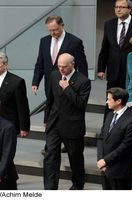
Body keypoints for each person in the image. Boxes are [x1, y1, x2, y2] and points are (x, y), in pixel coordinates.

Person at [32, 15, 88, 153]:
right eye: (50, 30)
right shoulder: (44, 41)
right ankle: (50, 144)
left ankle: (66, 141)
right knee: (51, 111)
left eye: (55, 30)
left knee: (66, 112)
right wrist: (35, 81)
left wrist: (82, 84)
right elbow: (40, 63)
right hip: (50, 84)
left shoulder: (74, 41)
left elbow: (82, 64)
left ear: (62, 25)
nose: (52, 33)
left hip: (69, 84)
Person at [43, 53, 91, 190]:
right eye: (59, 66)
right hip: (54, 123)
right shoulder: (54, 75)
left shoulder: (83, 81)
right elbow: (50, 99)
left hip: (72, 125)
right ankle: (50, 188)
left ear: (72, 64)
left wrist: (67, 88)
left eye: (64, 67)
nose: (61, 69)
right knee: (50, 156)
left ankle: (77, 185)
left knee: (75, 158)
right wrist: (47, 119)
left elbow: (81, 104)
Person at [97, 0, 132, 118]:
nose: (118, 9)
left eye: (122, 7)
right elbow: (105, 47)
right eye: (116, 7)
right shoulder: (109, 24)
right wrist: (101, 68)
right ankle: (107, 128)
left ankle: (126, 127)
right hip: (113, 70)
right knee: (111, 100)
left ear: (130, 9)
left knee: (128, 101)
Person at [97, 87, 132, 190]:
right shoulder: (109, 115)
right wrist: (100, 159)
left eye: (109, 99)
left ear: (118, 101)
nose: (106, 101)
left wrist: (106, 160)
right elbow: (101, 138)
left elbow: (126, 146)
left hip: (120, 170)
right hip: (105, 168)